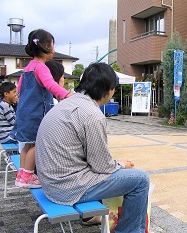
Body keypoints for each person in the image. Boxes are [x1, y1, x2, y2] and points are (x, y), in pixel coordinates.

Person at [35, 63, 150, 231]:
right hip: (67, 188)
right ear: (109, 89)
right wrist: (121, 164)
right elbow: (102, 166)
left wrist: (116, 164)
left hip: (50, 182)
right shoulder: (92, 115)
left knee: (120, 172)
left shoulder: (65, 104)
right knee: (140, 180)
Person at [11, 29, 73, 189]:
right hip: (35, 113)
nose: (53, 48)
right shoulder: (41, 67)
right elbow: (50, 85)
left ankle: (22, 175)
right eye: (52, 45)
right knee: (37, 144)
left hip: (24, 112)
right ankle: (28, 176)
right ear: (46, 46)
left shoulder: (27, 68)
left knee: (27, 145)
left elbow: (19, 88)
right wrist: (66, 95)